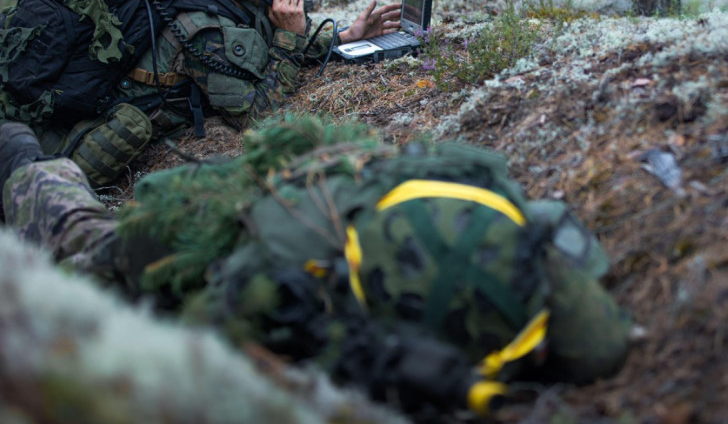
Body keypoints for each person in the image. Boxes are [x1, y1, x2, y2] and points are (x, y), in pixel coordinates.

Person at [0, 116, 634, 417]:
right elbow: (197, 336)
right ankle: (26, 162)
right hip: (221, 224)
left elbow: (599, 343)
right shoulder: (278, 252)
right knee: (88, 253)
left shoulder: (485, 218)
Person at [34, 0, 402, 187]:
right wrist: (288, 41)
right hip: (90, 134)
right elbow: (257, 118)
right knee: (127, 131)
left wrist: (345, 36)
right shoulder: (205, 26)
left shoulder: (228, 2)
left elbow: (262, 41)